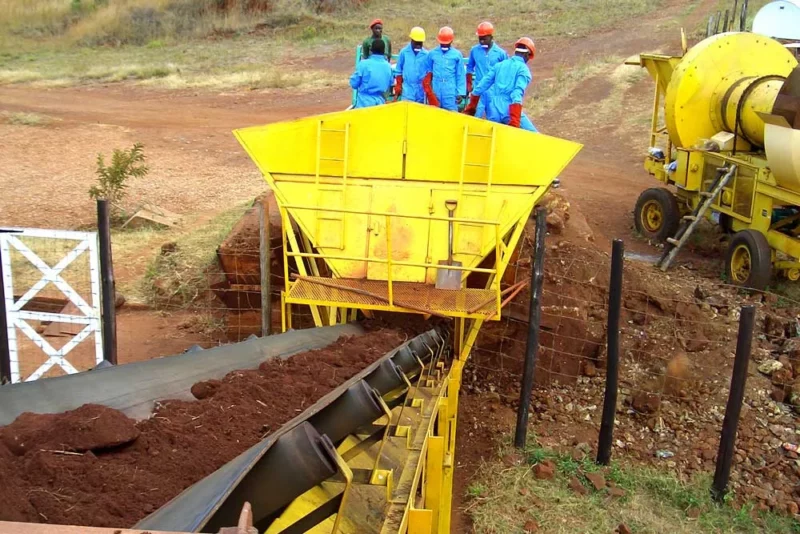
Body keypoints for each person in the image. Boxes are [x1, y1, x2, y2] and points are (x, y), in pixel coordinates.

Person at [464, 37, 538, 132]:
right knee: (535, 136)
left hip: (493, 109)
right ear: (527, 54)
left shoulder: (499, 65)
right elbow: (517, 93)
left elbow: (480, 87)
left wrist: (471, 108)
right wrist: (515, 120)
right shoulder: (523, 70)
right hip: (509, 110)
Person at [466, 21, 508, 118]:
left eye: (484, 39)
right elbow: (469, 67)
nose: (481, 41)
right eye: (480, 39)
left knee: (494, 118)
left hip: (493, 92)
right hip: (478, 91)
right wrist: (469, 83)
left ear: (491, 37)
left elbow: (506, 72)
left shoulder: (501, 53)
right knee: (475, 117)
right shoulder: (474, 50)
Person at [422, 26, 466, 112]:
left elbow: (460, 74)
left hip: (450, 90)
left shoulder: (457, 55)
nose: (444, 45)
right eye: (442, 43)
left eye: (446, 43)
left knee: (451, 115)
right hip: (436, 89)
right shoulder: (432, 54)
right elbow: (428, 74)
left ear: (451, 41)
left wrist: (460, 92)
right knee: (435, 114)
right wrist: (429, 92)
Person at [350, 39, 393, 109]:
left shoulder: (363, 64)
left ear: (371, 50)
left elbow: (354, 84)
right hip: (380, 102)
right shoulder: (388, 66)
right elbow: (390, 83)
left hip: (364, 103)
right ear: (384, 52)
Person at [394, 27, 428, 103]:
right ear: (412, 40)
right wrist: (398, 85)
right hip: (407, 90)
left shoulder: (426, 55)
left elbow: (429, 72)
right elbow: (398, 70)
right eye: (416, 43)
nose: (418, 45)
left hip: (421, 91)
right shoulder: (404, 52)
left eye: (420, 43)